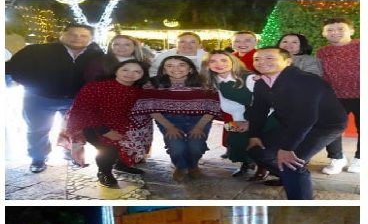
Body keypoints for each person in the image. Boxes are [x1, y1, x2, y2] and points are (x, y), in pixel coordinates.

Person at [245, 47, 348, 200]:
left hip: (325, 125)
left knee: (290, 164)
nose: (262, 62)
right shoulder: (262, 83)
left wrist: (287, 148)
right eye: (257, 59)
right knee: (257, 151)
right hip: (291, 122)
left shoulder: (306, 81)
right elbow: (259, 110)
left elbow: (306, 118)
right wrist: (254, 135)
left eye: (270, 58)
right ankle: (292, 178)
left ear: (288, 61)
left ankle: (301, 204)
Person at [7, 23, 105, 173]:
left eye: (83, 35)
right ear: (62, 34)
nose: (77, 38)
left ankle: (71, 154)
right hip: (39, 99)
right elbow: (13, 68)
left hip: (75, 100)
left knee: (74, 130)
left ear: (90, 39)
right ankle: (38, 158)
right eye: (73, 34)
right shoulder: (37, 50)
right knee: (38, 130)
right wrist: (34, 84)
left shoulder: (95, 56)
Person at [64, 59, 154, 188]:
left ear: (142, 75)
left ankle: (121, 165)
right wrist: (105, 131)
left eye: (137, 71)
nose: (130, 74)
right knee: (108, 151)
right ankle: (104, 172)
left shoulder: (138, 91)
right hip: (95, 127)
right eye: (125, 69)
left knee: (133, 143)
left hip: (124, 126)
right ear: (116, 70)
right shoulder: (95, 87)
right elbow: (84, 111)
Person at [132, 55, 221, 181]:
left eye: (181, 65)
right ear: (163, 70)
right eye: (169, 66)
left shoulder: (204, 83)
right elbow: (150, 107)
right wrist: (169, 127)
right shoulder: (153, 84)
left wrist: (199, 126)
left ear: (190, 69)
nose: (176, 68)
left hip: (199, 120)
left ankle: (193, 165)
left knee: (196, 146)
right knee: (176, 147)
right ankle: (180, 166)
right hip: (169, 120)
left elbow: (212, 107)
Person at [201, 50, 266, 179]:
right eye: (213, 61)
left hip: (263, 116)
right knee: (232, 134)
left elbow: (264, 104)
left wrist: (250, 123)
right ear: (207, 65)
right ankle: (246, 163)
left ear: (233, 62)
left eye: (223, 60)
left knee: (257, 139)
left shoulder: (249, 77)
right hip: (239, 115)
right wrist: (238, 121)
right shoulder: (215, 80)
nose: (219, 64)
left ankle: (263, 166)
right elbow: (227, 104)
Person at [316, 18, 360, 174]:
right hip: (335, 96)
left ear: (351, 31)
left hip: (361, 95)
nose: (335, 32)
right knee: (331, 127)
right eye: (330, 29)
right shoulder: (322, 52)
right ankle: (337, 158)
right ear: (324, 33)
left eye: (340, 28)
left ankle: (360, 159)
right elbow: (322, 75)